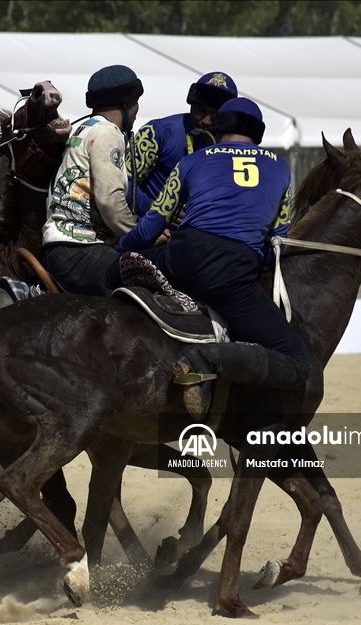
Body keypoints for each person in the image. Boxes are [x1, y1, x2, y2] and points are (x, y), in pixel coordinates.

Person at [104, 97, 310, 412]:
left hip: (180, 256)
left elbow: (150, 227)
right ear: (258, 133)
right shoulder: (280, 168)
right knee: (297, 362)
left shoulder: (193, 160)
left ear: (217, 127)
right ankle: (206, 358)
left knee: (107, 276)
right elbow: (276, 242)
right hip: (229, 272)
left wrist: (120, 250)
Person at [40, 65, 144, 295]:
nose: (137, 112)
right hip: (82, 250)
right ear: (127, 104)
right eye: (137, 103)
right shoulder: (108, 133)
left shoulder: (82, 129)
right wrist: (139, 233)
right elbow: (109, 200)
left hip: (59, 249)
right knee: (151, 281)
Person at [128, 72, 239, 217]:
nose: (206, 121)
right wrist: (153, 209)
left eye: (215, 115)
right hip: (155, 229)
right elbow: (125, 181)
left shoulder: (234, 146)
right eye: (201, 110)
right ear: (191, 104)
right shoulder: (156, 132)